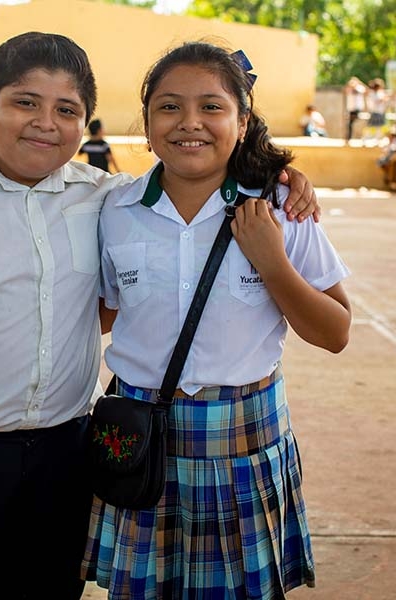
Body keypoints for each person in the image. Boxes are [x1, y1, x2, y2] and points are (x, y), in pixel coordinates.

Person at [0, 32, 318, 600]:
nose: (45, 123)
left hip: (69, 448)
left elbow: (143, 256)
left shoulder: (104, 198)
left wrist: (280, 178)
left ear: (86, 122)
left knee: (55, 586)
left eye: (66, 110)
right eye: (25, 102)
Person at [81, 41, 352, 599]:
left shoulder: (280, 210)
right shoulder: (114, 210)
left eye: (211, 107)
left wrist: (272, 262)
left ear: (242, 119)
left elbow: (335, 332)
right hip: (142, 439)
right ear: (148, 121)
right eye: (169, 107)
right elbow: (101, 315)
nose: (190, 124)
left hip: (243, 445)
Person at [344, 76, 367, 142]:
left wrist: (357, 85)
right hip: (351, 108)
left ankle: (350, 137)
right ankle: (349, 137)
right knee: (350, 124)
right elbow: (346, 91)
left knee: (352, 123)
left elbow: (364, 91)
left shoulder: (359, 88)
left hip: (357, 108)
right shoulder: (349, 88)